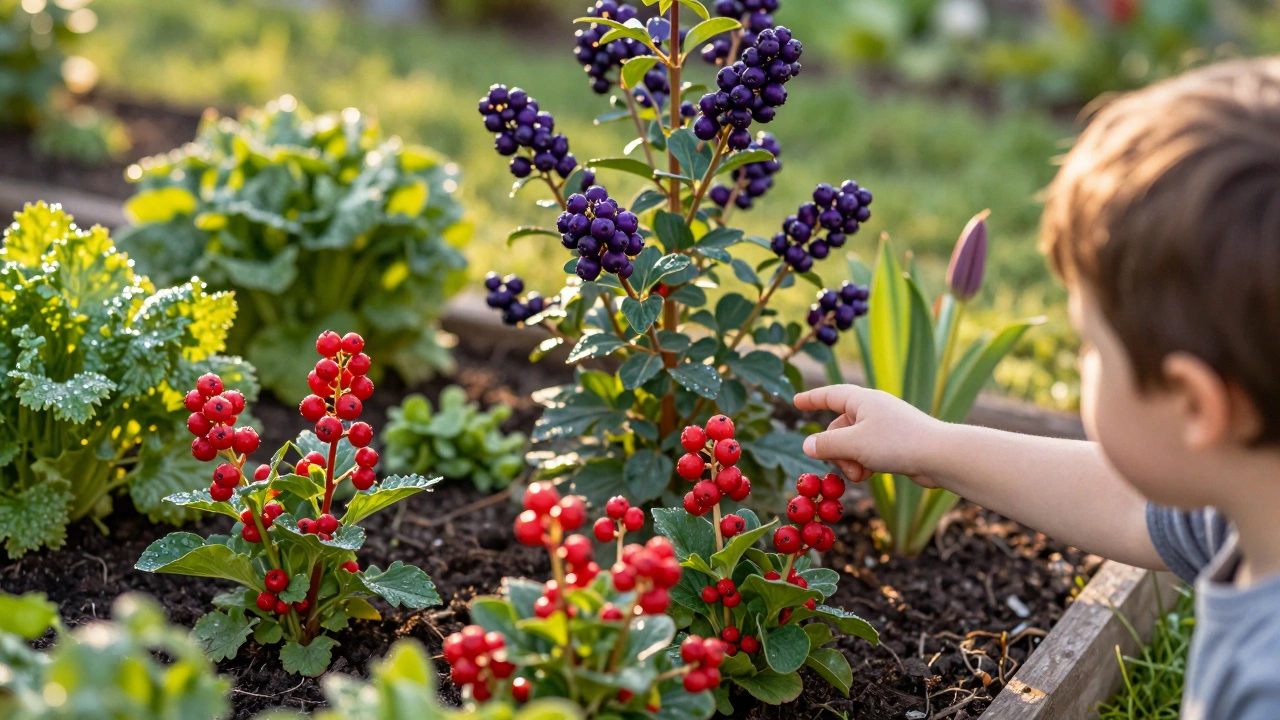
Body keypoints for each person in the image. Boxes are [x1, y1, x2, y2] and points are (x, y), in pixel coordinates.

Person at [794, 58, 1280, 720]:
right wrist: (929, 445)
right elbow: (1129, 504)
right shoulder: (1250, 502)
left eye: (1090, 346)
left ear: (1194, 404)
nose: (1084, 361)